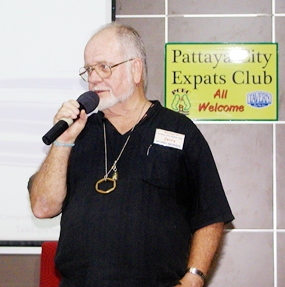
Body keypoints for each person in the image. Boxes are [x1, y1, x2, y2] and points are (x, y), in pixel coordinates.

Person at [28, 22, 234, 287]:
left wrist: (193, 278)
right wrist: (62, 143)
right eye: (89, 70)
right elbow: (43, 207)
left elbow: (211, 214)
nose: (93, 78)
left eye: (104, 67)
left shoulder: (180, 131)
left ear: (135, 69)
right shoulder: (76, 134)